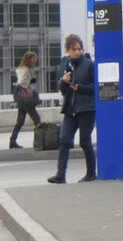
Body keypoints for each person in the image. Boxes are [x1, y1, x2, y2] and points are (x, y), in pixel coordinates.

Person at [47, 34, 96, 184]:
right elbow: (62, 89)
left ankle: (91, 173)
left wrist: (80, 88)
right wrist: (64, 81)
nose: (77, 52)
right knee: (64, 140)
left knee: (85, 141)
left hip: (86, 108)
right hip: (70, 108)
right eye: (74, 49)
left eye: (79, 49)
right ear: (68, 50)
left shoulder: (89, 64)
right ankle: (60, 174)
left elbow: (96, 88)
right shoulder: (64, 64)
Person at [9, 51, 41, 149]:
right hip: (25, 98)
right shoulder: (26, 69)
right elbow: (22, 82)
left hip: (20, 98)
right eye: (34, 58)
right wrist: (30, 82)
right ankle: (41, 141)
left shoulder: (21, 68)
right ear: (29, 60)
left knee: (20, 120)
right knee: (36, 119)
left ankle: (12, 141)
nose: (35, 60)